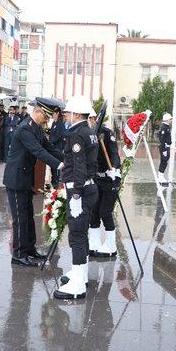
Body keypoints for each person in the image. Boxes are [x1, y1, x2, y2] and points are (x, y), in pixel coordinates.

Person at [3, 97, 64, 267]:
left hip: (25, 178)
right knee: (20, 218)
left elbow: (49, 148)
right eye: (46, 117)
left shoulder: (36, 128)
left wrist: (66, 159)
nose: (47, 120)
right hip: (15, 180)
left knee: (28, 216)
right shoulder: (25, 129)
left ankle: (30, 250)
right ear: (38, 112)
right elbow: (38, 151)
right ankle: (19, 254)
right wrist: (60, 165)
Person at [54, 96, 99, 300]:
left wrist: (76, 196)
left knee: (77, 236)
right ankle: (79, 273)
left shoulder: (77, 134)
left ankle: (78, 284)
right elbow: (84, 163)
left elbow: (80, 167)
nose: (66, 116)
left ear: (77, 114)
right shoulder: (89, 132)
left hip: (79, 190)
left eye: (68, 113)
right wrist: (67, 164)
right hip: (89, 187)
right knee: (82, 234)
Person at [89, 113, 121, 258]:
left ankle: (111, 246)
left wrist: (114, 168)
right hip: (96, 179)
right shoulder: (87, 134)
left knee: (105, 212)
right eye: (87, 118)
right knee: (94, 212)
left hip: (110, 178)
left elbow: (114, 153)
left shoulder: (106, 133)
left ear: (96, 119)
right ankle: (94, 244)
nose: (90, 121)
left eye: (91, 118)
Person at [49, 108, 66, 186]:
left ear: (57, 113)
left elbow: (59, 135)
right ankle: (53, 180)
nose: (53, 115)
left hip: (57, 147)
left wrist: (51, 142)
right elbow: (52, 133)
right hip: (52, 147)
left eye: (54, 113)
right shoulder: (54, 123)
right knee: (52, 165)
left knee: (56, 165)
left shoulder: (60, 123)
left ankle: (57, 181)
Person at [157, 113, 172, 183]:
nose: (171, 120)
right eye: (170, 119)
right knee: (163, 161)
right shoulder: (164, 127)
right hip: (164, 147)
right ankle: (160, 177)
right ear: (166, 120)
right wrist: (164, 148)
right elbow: (162, 139)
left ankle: (161, 176)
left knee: (164, 162)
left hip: (166, 147)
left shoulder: (166, 126)